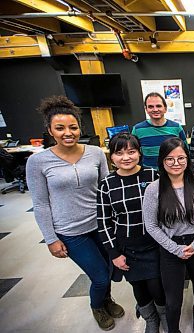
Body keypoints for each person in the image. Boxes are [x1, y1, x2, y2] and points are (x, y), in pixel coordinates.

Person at [26, 96, 124, 331]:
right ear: (50, 130)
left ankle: (106, 299)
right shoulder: (37, 162)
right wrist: (51, 239)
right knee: (99, 275)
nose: (67, 132)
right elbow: (40, 204)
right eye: (60, 128)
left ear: (80, 128)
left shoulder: (95, 153)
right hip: (70, 231)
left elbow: (105, 189)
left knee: (112, 270)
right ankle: (97, 306)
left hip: (101, 225)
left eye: (73, 127)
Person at [97, 133, 167, 333]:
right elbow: (103, 223)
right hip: (127, 248)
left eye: (131, 151)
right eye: (119, 153)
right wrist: (114, 254)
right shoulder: (106, 185)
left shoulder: (153, 176)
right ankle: (150, 319)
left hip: (154, 244)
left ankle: (164, 316)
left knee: (157, 287)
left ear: (139, 153)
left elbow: (166, 208)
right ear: (112, 157)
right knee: (139, 288)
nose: (126, 157)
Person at [143, 138, 194, 333]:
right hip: (170, 247)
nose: (176, 163)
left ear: (188, 159)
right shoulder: (153, 189)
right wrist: (176, 249)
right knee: (173, 300)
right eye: (170, 159)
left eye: (181, 158)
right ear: (162, 161)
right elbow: (151, 225)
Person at [132, 92, 187, 169]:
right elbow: (134, 155)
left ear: (165, 108)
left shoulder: (176, 127)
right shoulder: (137, 130)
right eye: (150, 107)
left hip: (172, 173)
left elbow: (186, 153)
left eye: (158, 106)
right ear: (146, 109)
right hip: (149, 175)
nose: (155, 109)